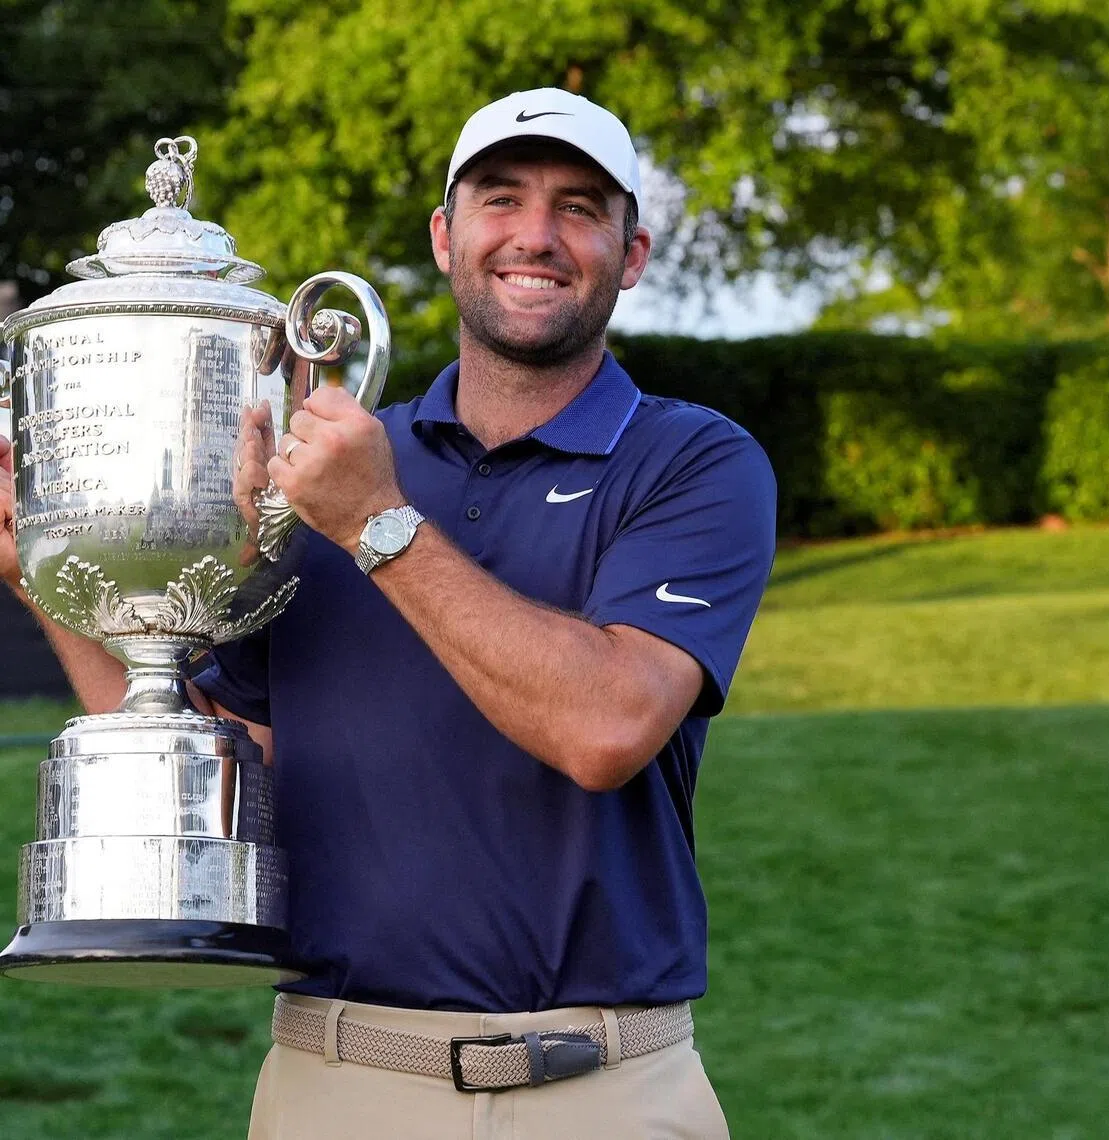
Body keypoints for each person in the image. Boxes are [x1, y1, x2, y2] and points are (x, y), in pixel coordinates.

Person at [0, 88, 777, 1139]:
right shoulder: (316, 464)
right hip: (336, 1084)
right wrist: (45, 581)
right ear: (446, 238)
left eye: (579, 207)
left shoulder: (691, 459)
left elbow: (608, 727)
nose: (536, 236)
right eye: (500, 200)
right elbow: (236, 766)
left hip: (602, 1092)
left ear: (630, 253)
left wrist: (378, 522)